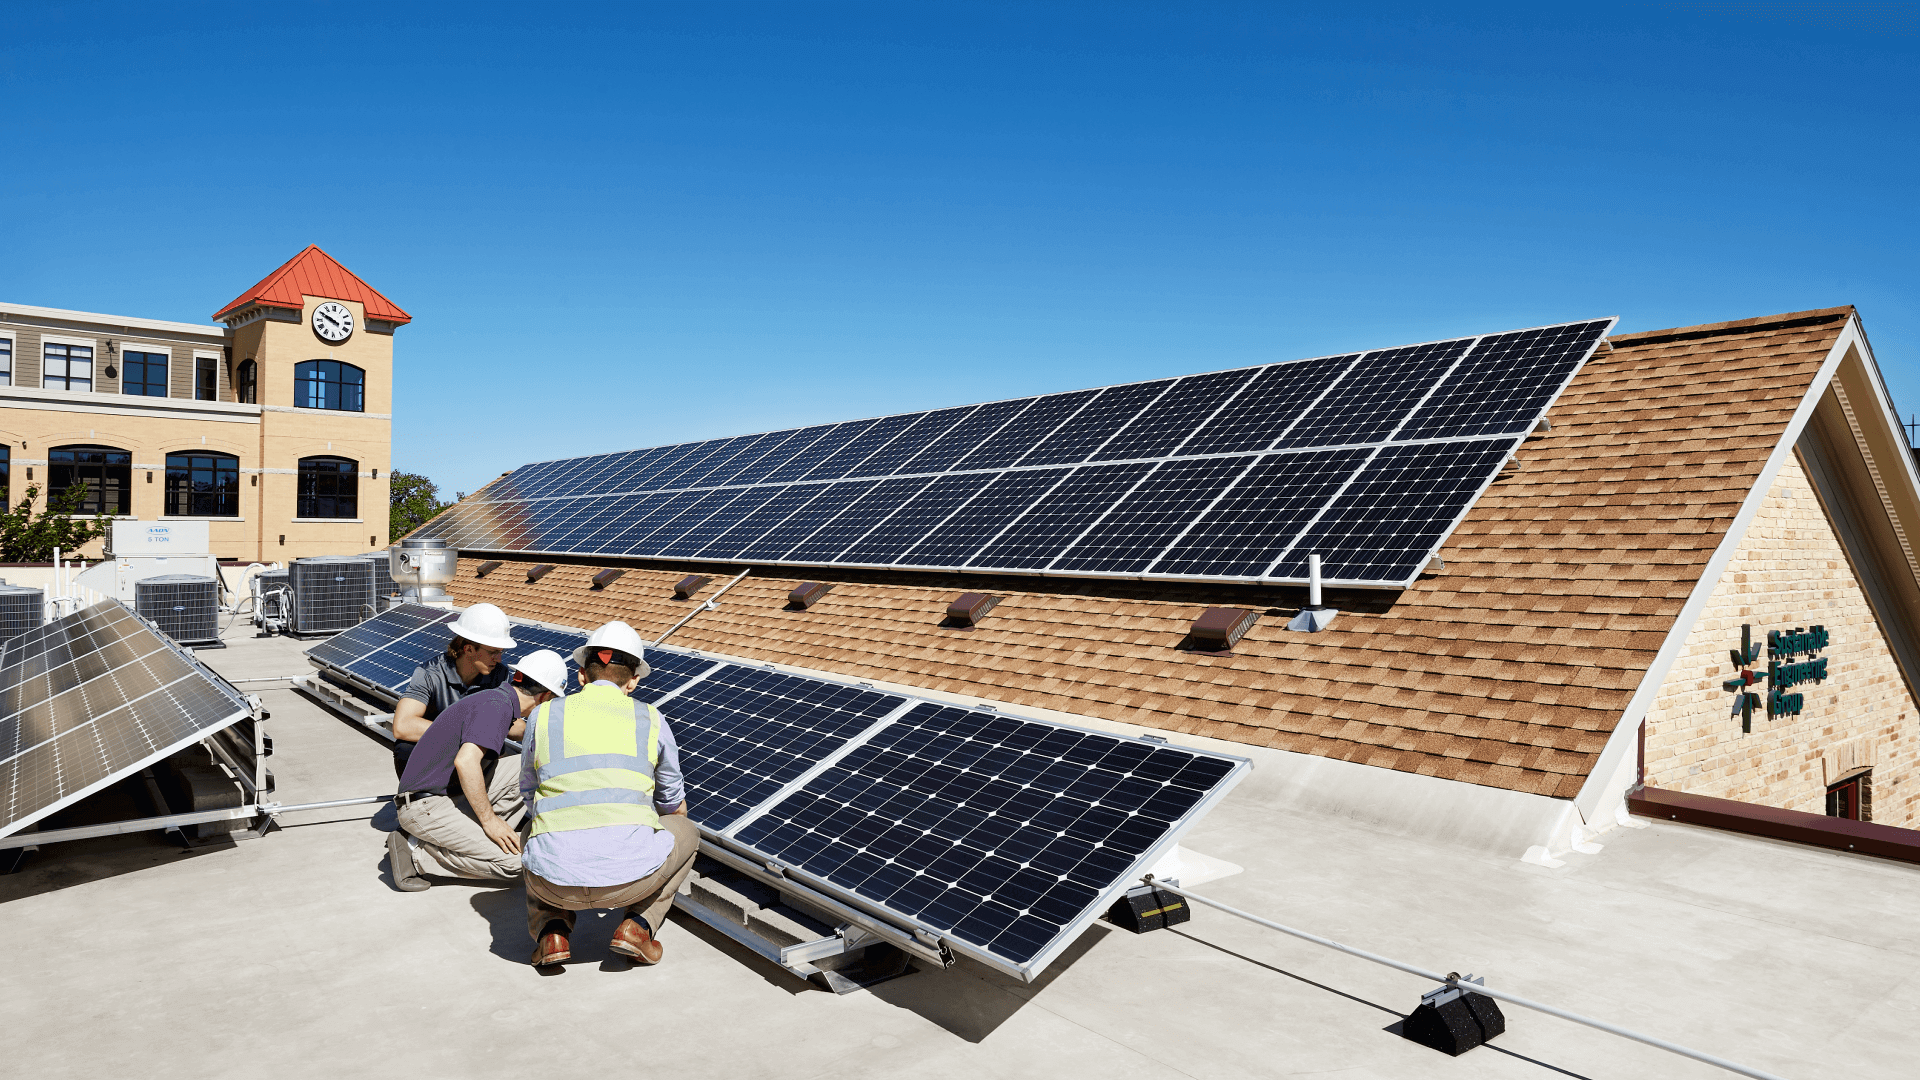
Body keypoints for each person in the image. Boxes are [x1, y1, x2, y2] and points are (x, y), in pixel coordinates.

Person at [519, 620, 697, 968]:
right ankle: (638, 927)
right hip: (632, 882)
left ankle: (551, 931)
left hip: (552, 883)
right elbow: (674, 805)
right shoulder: (652, 719)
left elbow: (527, 791)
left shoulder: (542, 716)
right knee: (687, 832)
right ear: (633, 681)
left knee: (534, 827)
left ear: (582, 675)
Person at [385, 649, 571, 892]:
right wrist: (489, 821)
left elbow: (521, 730)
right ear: (545, 696)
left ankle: (474, 837)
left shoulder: (497, 700)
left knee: (529, 763)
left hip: (445, 795)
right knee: (517, 863)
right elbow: (466, 762)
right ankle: (415, 853)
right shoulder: (495, 707)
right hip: (424, 807)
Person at [391, 603, 518, 778]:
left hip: (471, 753)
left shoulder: (499, 676)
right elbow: (403, 726)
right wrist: (468, 732)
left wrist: (536, 731)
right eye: (493, 652)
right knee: (405, 749)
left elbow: (510, 723)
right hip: (435, 754)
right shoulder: (430, 673)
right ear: (469, 649)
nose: (499, 659)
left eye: (501, 652)